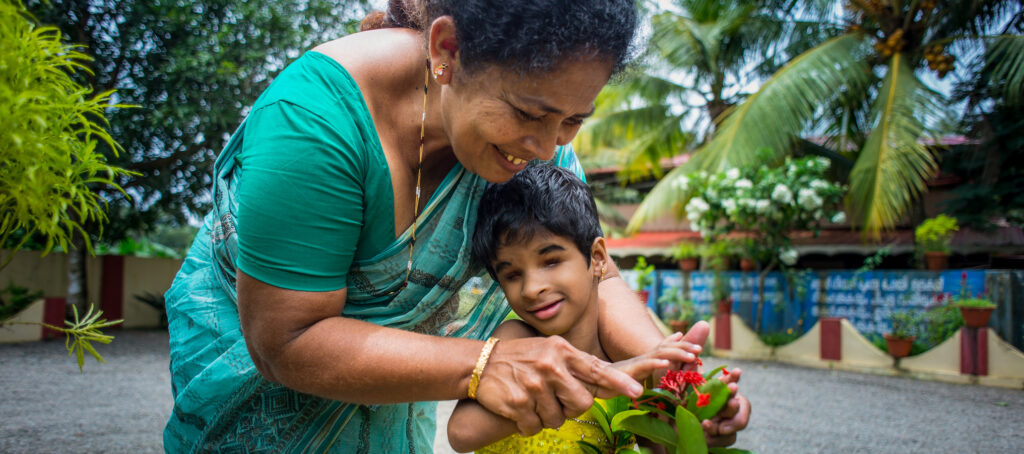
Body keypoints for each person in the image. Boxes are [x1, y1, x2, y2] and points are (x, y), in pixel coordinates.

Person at [163, 1, 750, 452]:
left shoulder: (529, 141)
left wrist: (671, 381)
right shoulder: (315, 123)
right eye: (529, 114)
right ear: (447, 49)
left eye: (572, 119)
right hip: (260, 393)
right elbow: (285, 340)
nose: (547, 147)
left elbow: (602, 277)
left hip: (389, 380)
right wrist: (480, 364)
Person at [447, 165, 718, 453]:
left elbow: (659, 443)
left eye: (550, 261)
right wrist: (591, 383)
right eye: (512, 275)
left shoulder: (625, 362)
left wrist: (701, 420)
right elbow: (462, 432)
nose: (531, 288)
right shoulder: (517, 340)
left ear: (598, 257)